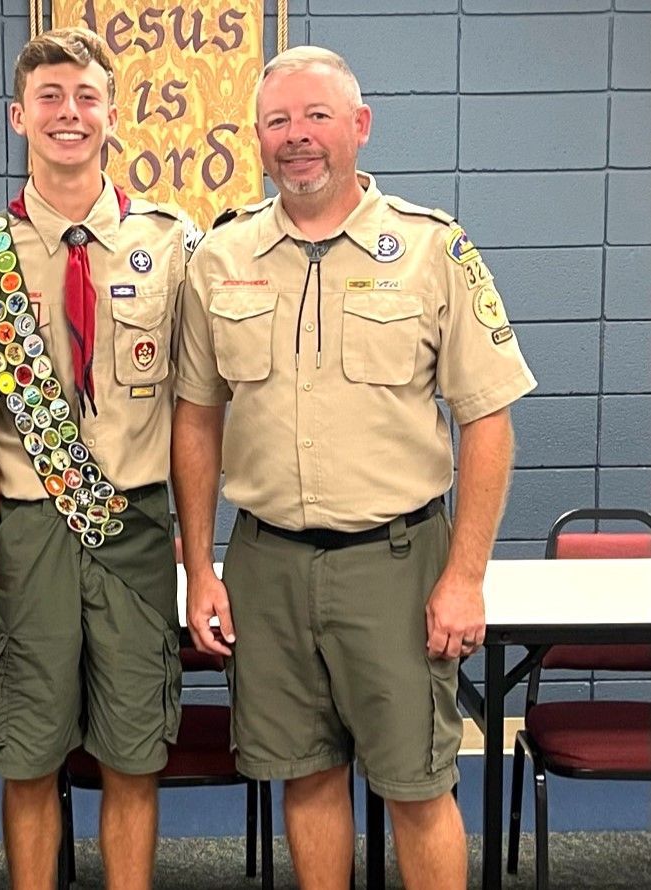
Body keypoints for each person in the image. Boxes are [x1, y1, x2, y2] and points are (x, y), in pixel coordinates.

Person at [172, 46, 536, 890]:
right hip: (266, 560)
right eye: (277, 122)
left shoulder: (430, 249)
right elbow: (196, 419)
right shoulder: (219, 258)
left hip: (397, 562)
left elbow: (486, 421)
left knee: (416, 783)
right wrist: (200, 564)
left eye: (316, 117)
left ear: (359, 128)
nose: (296, 137)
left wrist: (465, 576)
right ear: (257, 139)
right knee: (305, 772)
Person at [0, 28, 193, 890]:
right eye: (48, 98)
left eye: (85, 97)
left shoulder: (172, 246)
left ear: (113, 117)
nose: (68, 113)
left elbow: (200, 412)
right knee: (28, 754)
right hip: (26, 531)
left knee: (132, 751)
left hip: (135, 525)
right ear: (18, 116)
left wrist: (200, 547)